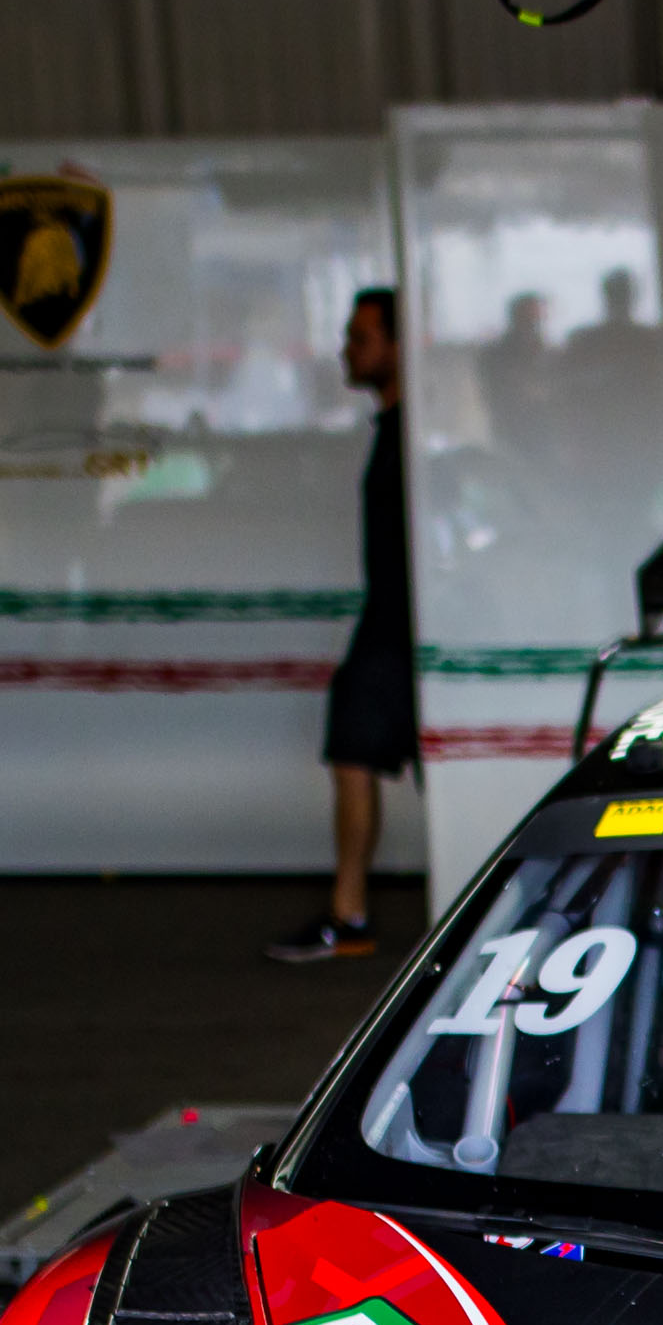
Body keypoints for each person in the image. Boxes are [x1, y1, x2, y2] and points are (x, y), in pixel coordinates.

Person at [271, 286, 413, 963]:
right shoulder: (393, 431)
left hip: (405, 625)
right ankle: (349, 914)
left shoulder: (411, 437)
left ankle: (351, 915)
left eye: (361, 338)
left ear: (397, 347)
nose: (346, 351)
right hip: (390, 620)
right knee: (353, 749)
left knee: (356, 749)